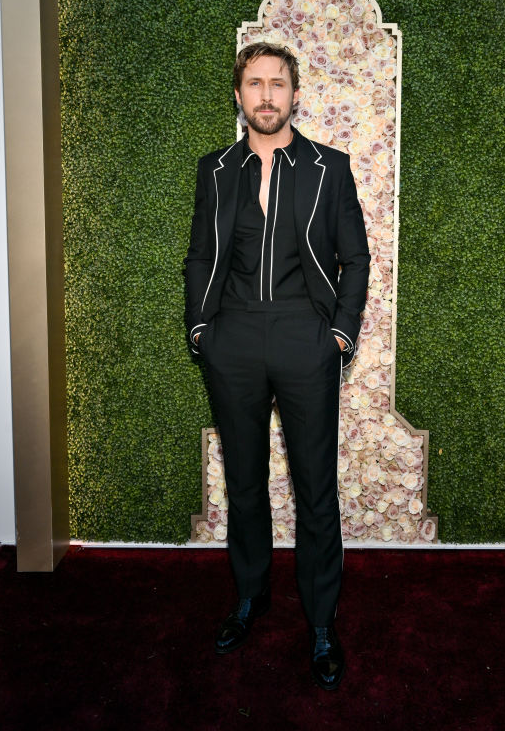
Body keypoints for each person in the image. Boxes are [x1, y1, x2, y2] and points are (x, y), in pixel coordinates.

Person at [185, 41, 370, 690]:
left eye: (277, 84)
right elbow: (200, 258)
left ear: (295, 95)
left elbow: (356, 259)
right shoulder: (213, 170)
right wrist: (202, 330)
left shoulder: (329, 167)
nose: (266, 95)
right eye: (254, 84)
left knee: (315, 489)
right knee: (244, 483)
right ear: (238, 96)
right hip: (232, 339)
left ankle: (320, 621)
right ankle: (250, 595)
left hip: (303, 337)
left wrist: (339, 335)